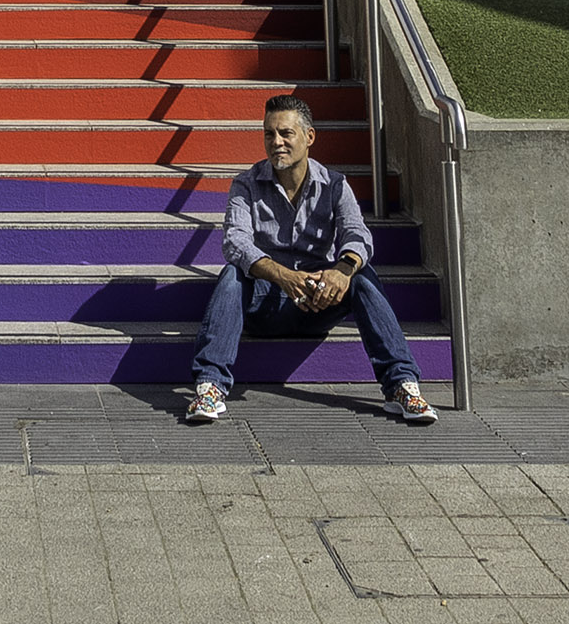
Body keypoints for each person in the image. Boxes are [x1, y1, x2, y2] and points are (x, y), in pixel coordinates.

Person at [183, 91, 436, 424]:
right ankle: (210, 388)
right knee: (233, 275)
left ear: (309, 136)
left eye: (286, 133)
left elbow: (358, 236)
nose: (277, 142)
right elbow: (235, 241)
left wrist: (340, 272)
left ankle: (402, 385)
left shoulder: (334, 184)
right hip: (266, 302)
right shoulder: (246, 185)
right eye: (269, 134)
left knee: (361, 276)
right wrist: (283, 276)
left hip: (319, 300)